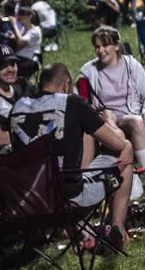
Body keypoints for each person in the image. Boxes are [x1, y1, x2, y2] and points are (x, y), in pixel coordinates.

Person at [9, 63, 134, 244]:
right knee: (125, 157)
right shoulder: (71, 102)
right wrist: (112, 123)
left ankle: (80, 234)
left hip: (31, 200)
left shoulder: (17, 107)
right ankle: (118, 231)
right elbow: (117, 144)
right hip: (69, 199)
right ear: (66, 85)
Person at [78, 27, 145, 194]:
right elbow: (83, 104)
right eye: (97, 47)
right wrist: (101, 116)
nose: (101, 50)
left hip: (134, 112)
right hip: (110, 121)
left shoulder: (131, 65)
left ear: (116, 46)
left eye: (105, 45)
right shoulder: (89, 72)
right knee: (136, 121)